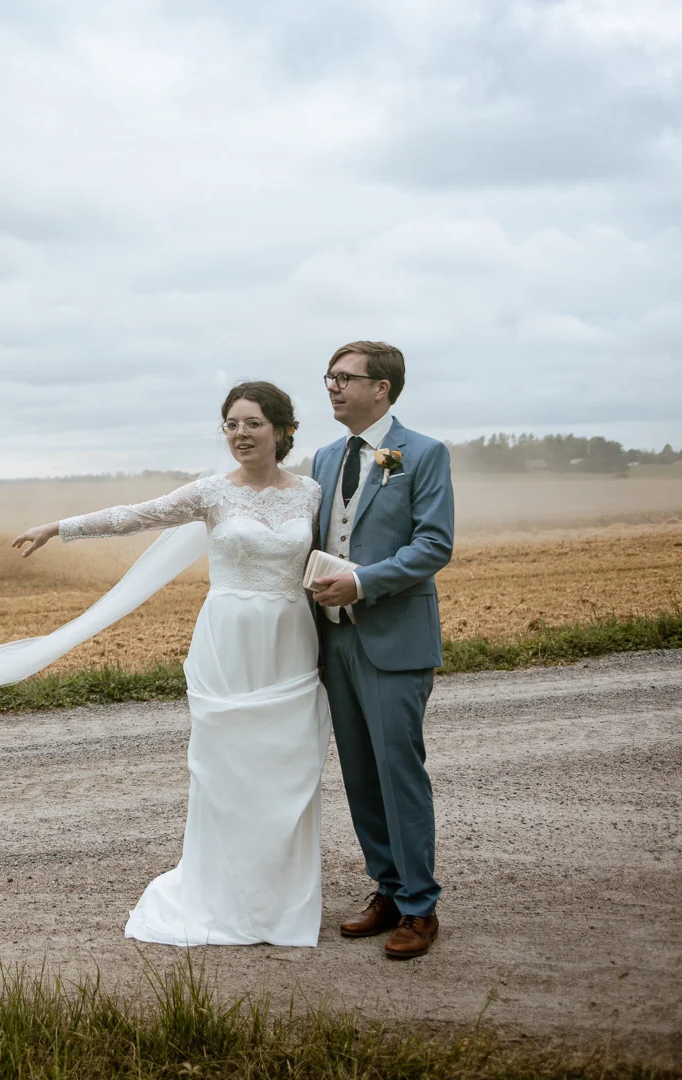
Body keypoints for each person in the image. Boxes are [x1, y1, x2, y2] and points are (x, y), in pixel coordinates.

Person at [9, 382, 331, 946]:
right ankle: (222, 895)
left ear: (282, 431)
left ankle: (281, 901)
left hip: (290, 639)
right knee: (226, 766)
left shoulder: (310, 494)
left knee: (289, 766)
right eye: (231, 424)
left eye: (252, 423)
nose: (240, 434)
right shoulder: (211, 494)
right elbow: (135, 516)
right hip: (228, 639)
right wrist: (60, 528)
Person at [308, 341, 453, 960]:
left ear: (382, 389)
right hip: (333, 639)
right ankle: (387, 891)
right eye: (330, 378)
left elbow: (434, 544)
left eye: (345, 378)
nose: (333, 387)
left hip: (394, 638)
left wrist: (363, 581)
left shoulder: (422, 453)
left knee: (399, 772)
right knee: (361, 776)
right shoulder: (321, 458)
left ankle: (421, 907)